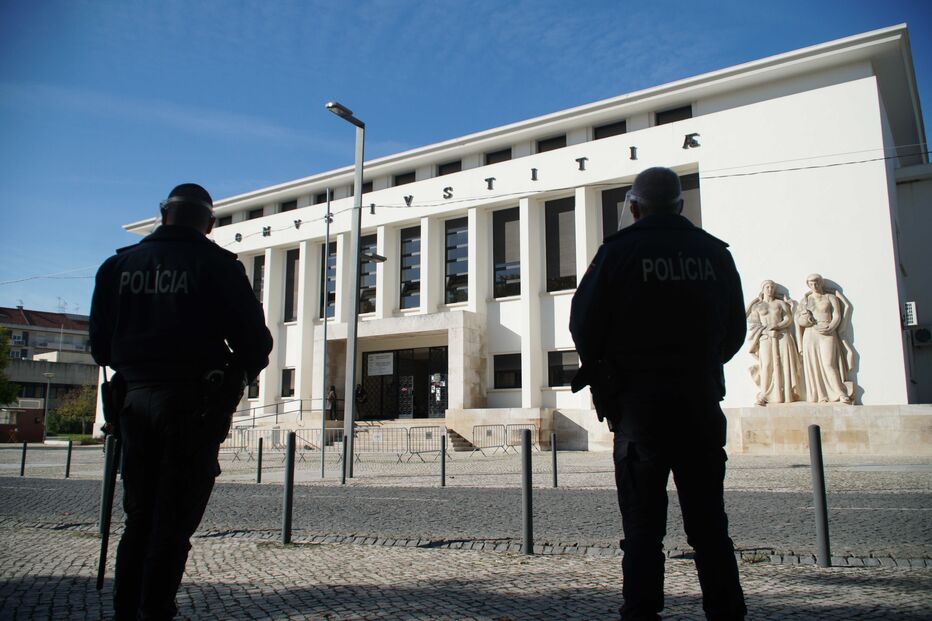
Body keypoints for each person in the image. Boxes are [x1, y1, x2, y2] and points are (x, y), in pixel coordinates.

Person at [570, 167, 747, 620]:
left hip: (639, 411)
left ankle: (641, 613)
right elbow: (735, 332)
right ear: (681, 206)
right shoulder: (715, 254)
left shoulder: (618, 252)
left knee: (642, 532)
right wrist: (698, 366)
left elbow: (583, 324)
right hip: (699, 406)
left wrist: (610, 375)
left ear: (633, 207)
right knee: (710, 528)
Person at [89, 183, 273, 620]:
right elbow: (255, 344)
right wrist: (228, 384)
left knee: (139, 520)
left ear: (162, 213)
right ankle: (155, 611)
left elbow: (100, 348)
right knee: (172, 525)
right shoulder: (217, 266)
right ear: (210, 223)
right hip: (192, 406)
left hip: (134, 405)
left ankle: (125, 612)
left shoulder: (116, 266)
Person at [795, 273, 854, 403]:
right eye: (811, 283)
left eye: (816, 282)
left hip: (827, 331)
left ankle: (840, 393)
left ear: (821, 283)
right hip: (810, 333)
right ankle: (821, 395)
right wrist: (805, 319)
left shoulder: (830, 297)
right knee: (814, 365)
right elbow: (799, 319)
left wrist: (831, 326)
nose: (814, 285)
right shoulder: (805, 300)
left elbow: (837, 315)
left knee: (828, 363)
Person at [746, 280, 801, 405]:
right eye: (767, 287)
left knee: (784, 364)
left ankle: (786, 393)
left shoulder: (780, 303)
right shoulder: (757, 306)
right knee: (766, 364)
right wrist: (766, 330)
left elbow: (788, 318)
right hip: (765, 337)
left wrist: (777, 326)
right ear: (763, 289)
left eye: (772, 287)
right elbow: (753, 323)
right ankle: (765, 394)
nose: (770, 289)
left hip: (782, 336)